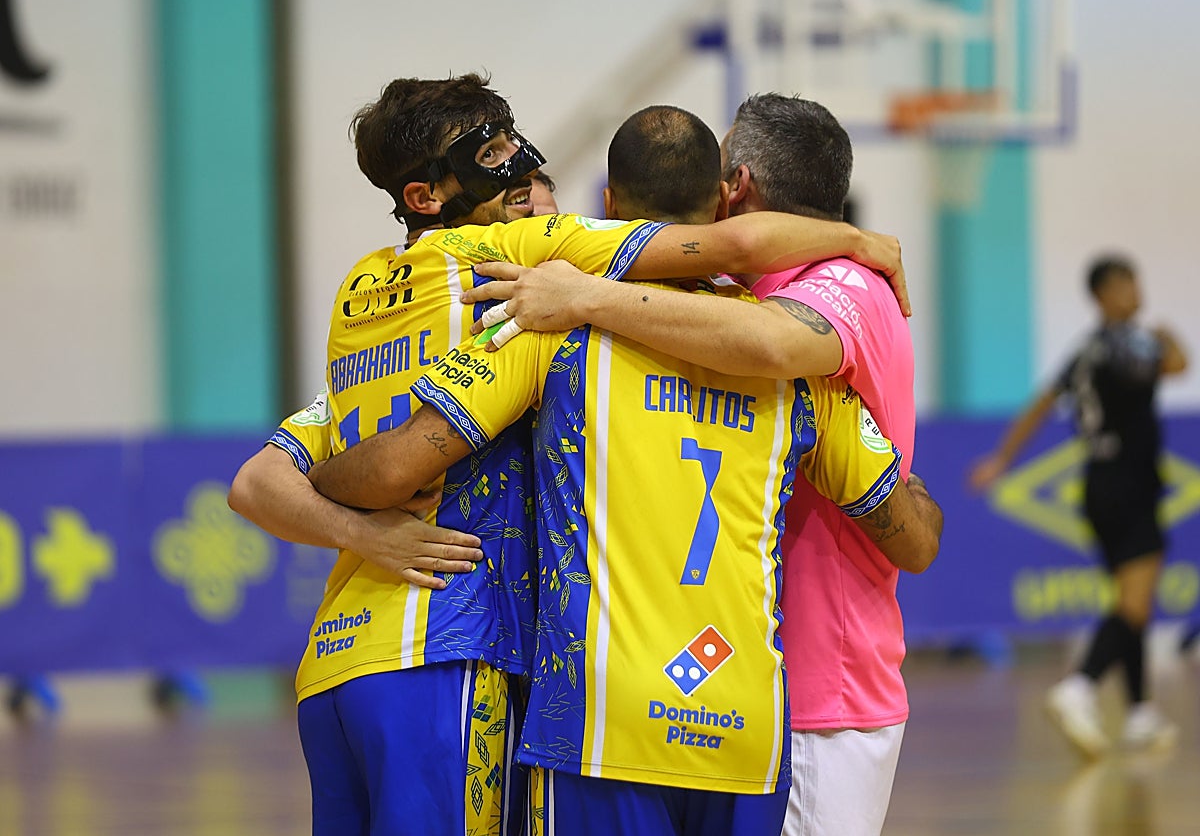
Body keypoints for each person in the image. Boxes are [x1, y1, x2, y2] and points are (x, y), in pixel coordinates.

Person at [228, 74, 910, 836]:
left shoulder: (361, 291)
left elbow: (257, 481)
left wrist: (355, 529)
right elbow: (739, 247)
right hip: (453, 646)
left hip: (336, 663)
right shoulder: (522, 295)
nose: (523, 182)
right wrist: (859, 239)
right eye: (499, 164)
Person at [465, 94, 923, 835]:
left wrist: (587, 294)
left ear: (734, 187)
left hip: (798, 691)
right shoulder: (757, 316)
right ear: (718, 196)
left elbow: (769, 337)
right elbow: (916, 534)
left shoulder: (812, 299)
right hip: (750, 699)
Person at [970, 255, 1188, 758]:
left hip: (1097, 484)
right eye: (1128, 283)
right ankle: (1080, 687)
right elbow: (1178, 365)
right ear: (1105, 294)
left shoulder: (1085, 352)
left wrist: (1002, 458)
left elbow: (1043, 403)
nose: (1136, 291)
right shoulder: (1131, 343)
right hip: (1131, 483)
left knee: (1128, 599)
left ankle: (1138, 712)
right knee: (1134, 601)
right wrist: (1170, 337)